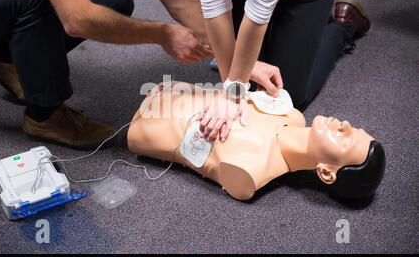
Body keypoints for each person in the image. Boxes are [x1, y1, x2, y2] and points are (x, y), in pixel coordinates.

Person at [0, 0, 217, 150]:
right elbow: (77, 19)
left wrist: (235, 57)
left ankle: (3, 56)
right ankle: (45, 117)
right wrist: (162, 35)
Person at [183, 0, 371, 142]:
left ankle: (342, 26)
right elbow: (213, 2)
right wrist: (230, 89)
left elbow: (259, 8)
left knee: (286, 99)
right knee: (254, 88)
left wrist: (233, 93)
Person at [127, 81, 385, 200]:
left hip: (144, 126)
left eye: (347, 140)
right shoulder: (291, 114)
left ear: (327, 174)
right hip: (171, 87)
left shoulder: (251, 171)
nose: (346, 125)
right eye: (355, 128)